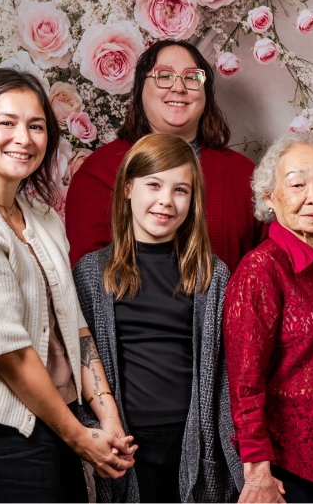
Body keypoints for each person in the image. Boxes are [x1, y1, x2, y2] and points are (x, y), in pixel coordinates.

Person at [0, 69, 136, 502]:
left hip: (59, 422)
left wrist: (107, 416)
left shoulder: (40, 217)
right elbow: (9, 355)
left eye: (36, 126)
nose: (23, 138)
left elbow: (74, 325)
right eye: (6, 122)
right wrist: (80, 438)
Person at [73, 133, 243, 502]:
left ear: (193, 200)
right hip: (127, 443)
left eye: (180, 190)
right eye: (154, 184)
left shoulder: (211, 275)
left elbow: (228, 376)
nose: (166, 200)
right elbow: (79, 364)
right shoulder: (91, 274)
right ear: (128, 188)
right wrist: (97, 432)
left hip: (193, 442)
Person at [224, 132, 313, 503]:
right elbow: (244, 382)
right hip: (288, 474)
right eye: (296, 185)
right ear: (269, 197)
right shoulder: (260, 270)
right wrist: (257, 471)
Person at [65, 40, 263, 272]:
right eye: (165, 76)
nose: (179, 87)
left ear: (206, 92)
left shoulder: (243, 174)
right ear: (140, 88)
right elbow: (91, 278)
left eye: (192, 77)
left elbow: (266, 267)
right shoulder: (98, 173)